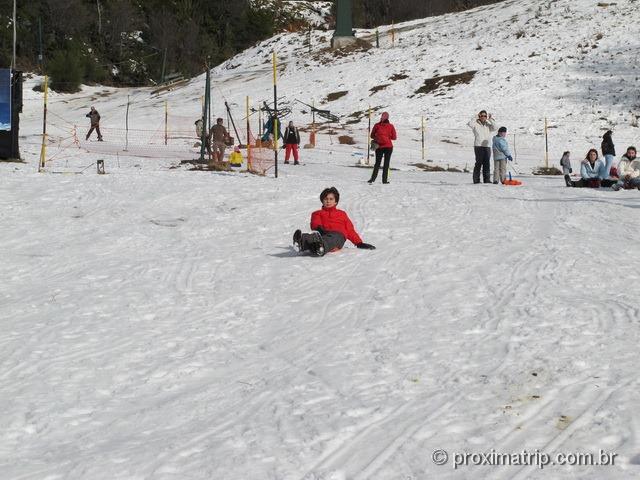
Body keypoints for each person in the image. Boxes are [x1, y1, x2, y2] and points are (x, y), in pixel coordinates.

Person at [292, 187, 375, 256]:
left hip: (339, 236)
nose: (328, 201)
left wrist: (359, 243)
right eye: (326, 199)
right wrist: (319, 228)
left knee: (332, 238)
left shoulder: (342, 214)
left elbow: (350, 229)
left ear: (336, 202)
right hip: (323, 235)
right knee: (313, 237)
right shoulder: (317, 213)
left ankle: (321, 247)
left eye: (331, 199)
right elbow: (315, 223)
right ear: (322, 200)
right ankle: (301, 242)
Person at [468, 110, 497, 184]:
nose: (483, 117)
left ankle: (487, 179)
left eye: (485, 116)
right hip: (478, 146)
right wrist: (475, 117)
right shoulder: (475, 124)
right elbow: (470, 124)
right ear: (479, 116)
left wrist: (491, 119)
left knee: (487, 163)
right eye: (482, 116)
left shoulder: (488, 125)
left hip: (487, 146)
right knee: (478, 163)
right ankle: (476, 180)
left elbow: (495, 127)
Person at [368, 112, 397, 184]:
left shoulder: (377, 125)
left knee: (377, 163)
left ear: (381, 117)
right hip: (389, 147)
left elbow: (371, 136)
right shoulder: (391, 126)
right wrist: (387, 137)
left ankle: (372, 179)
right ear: (388, 118)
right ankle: (384, 180)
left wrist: (378, 137)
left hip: (379, 146)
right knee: (386, 164)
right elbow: (394, 137)